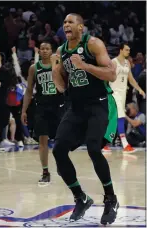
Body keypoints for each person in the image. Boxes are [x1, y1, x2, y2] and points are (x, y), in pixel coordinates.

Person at [52, 13, 119, 225]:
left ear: (81, 27)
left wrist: (85, 66)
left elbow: (112, 75)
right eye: (64, 23)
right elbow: (62, 79)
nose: (66, 25)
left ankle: (111, 198)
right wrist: (58, 78)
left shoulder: (93, 44)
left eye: (70, 22)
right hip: (77, 106)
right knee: (59, 149)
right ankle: (80, 197)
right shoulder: (61, 50)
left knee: (93, 147)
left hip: (99, 103)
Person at [21, 40, 64, 186]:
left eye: (48, 49)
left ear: (52, 51)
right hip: (41, 107)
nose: (45, 51)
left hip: (58, 106)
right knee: (42, 140)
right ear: (39, 51)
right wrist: (24, 110)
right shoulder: (34, 68)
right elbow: (28, 91)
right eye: (42, 49)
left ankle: (62, 166)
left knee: (61, 141)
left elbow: (65, 86)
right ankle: (45, 172)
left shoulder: (58, 65)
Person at [103, 43, 145, 153]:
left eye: (129, 50)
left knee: (114, 118)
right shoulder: (113, 62)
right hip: (113, 93)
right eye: (126, 50)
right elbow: (106, 78)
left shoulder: (127, 63)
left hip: (123, 94)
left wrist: (140, 89)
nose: (128, 52)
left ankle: (104, 144)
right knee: (119, 117)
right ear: (121, 50)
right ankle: (124, 144)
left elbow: (131, 79)